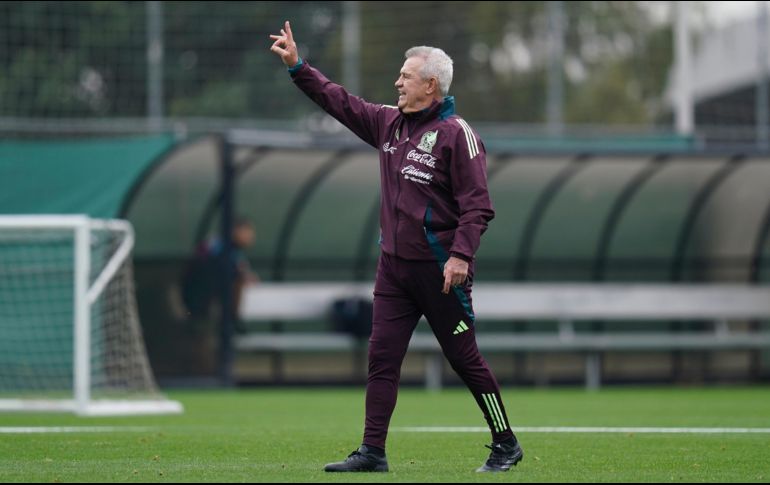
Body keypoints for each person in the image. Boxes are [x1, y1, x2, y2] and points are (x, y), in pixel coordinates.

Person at [269, 21, 523, 473]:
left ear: (430, 85)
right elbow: (338, 101)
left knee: (464, 359)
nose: (397, 82)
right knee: (382, 359)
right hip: (394, 270)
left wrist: (461, 255)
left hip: (440, 274)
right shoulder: (389, 123)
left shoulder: (457, 134)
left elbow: (478, 207)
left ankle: (506, 443)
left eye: (406, 76)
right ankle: (372, 452)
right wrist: (298, 66)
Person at [181, 218, 259, 327]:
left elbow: (241, 271)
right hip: (199, 303)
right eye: (247, 231)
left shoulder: (234, 251)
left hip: (212, 306)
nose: (251, 236)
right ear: (235, 230)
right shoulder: (215, 247)